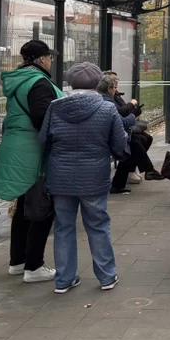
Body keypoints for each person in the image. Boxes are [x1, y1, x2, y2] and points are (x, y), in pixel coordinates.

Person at [39, 62, 129, 293]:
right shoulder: (106, 108)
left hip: (61, 175)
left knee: (63, 226)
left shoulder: (55, 107)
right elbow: (120, 144)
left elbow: (44, 141)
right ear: (98, 83)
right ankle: (107, 276)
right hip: (94, 175)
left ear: (70, 82)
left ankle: (63, 279)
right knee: (98, 224)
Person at [0, 40, 63, 283]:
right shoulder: (39, 82)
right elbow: (42, 117)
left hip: (17, 147)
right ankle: (34, 266)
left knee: (24, 206)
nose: (51, 61)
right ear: (41, 59)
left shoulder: (20, 80)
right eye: (49, 57)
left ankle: (18, 260)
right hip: (33, 151)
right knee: (42, 207)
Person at [102, 74, 164, 192]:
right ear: (109, 89)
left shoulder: (112, 98)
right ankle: (147, 170)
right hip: (112, 135)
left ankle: (130, 175)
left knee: (143, 139)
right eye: (114, 85)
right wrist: (133, 114)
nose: (116, 87)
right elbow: (122, 120)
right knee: (135, 143)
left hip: (117, 133)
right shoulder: (107, 101)